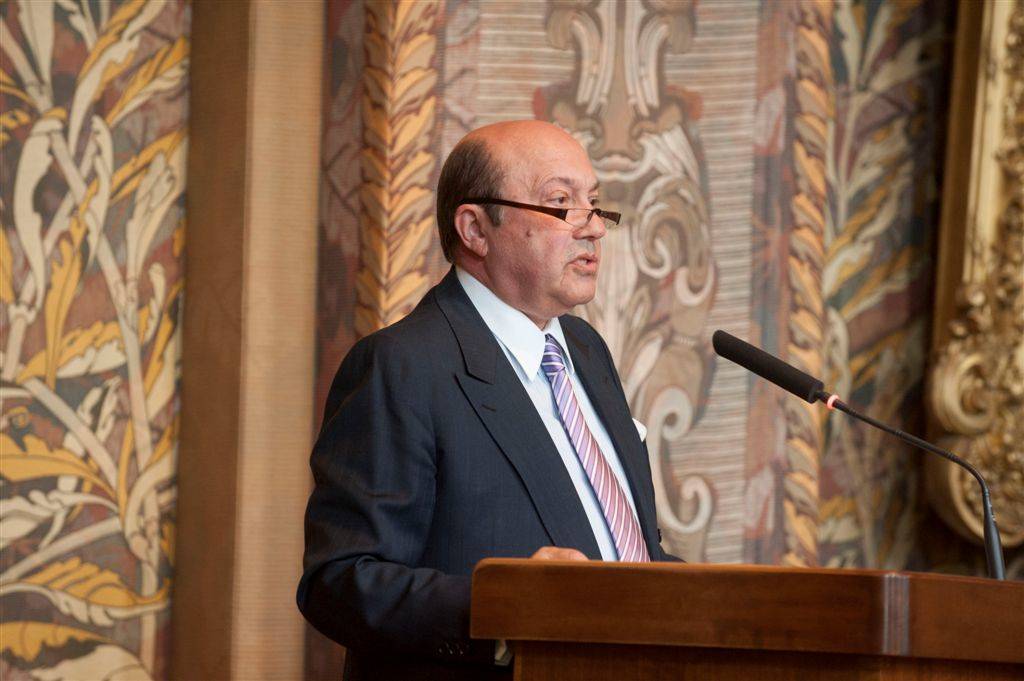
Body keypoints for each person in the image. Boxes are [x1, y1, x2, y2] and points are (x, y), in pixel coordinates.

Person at [297, 120, 678, 680]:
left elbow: (626, 553)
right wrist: (503, 605)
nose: (595, 228)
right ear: (475, 229)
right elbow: (341, 580)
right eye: (561, 203)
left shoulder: (585, 350)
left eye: (594, 204)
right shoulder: (403, 367)